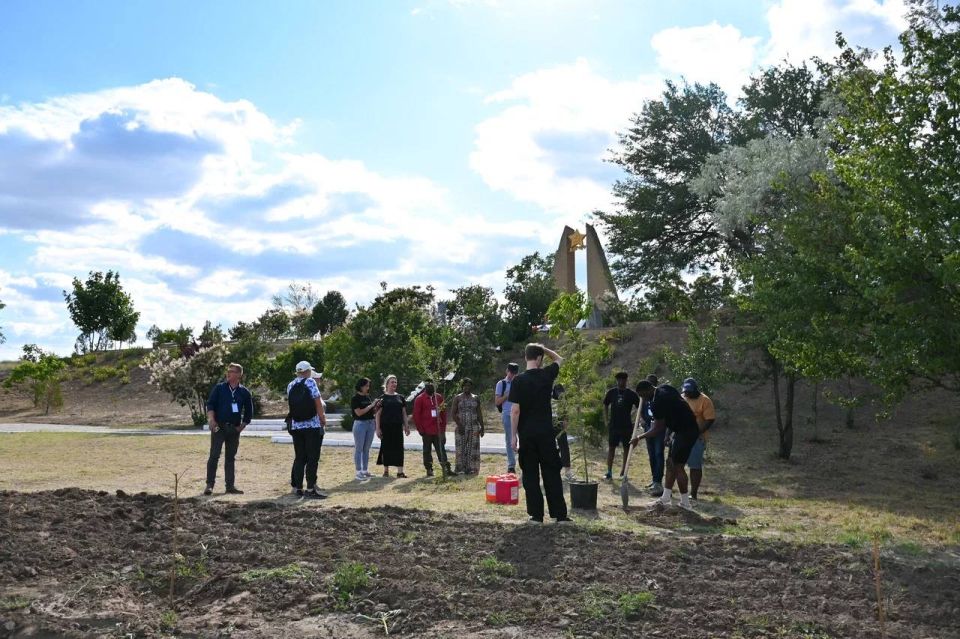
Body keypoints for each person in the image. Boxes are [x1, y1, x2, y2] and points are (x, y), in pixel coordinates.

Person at [508, 343, 570, 523]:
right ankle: (560, 515)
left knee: (530, 475)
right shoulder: (546, 375)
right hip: (546, 433)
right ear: (540, 358)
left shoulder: (518, 381)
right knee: (552, 472)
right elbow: (559, 359)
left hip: (527, 435)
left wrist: (513, 436)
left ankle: (536, 515)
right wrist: (545, 349)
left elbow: (515, 411)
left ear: (526, 357)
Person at [630, 380, 700, 510]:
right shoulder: (665, 388)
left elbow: (657, 428)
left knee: (678, 466)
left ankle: (685, 503)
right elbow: (675, 411)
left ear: (648, 390)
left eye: (643, 396)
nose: (643, 399)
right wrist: (669, 434)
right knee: (670, 463)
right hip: (681, 430)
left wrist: (639, 437)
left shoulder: (657, 402)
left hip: (686, 431)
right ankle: (665, 498)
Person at [204, 363, 253, 495]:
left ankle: (230, 486)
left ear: (239, 375)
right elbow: (210, 404)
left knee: (230, 458)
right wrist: (212, 420)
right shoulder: (219, 388)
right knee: (214, 456)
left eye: (232, 371)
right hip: (218, 427)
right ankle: (209, 485)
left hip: (234, 429)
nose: (228, 373)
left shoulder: (244, 392)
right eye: (228, 371)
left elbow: (249, 412)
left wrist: (240, 428)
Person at [286, 361, 328, 498]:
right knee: (312, 458)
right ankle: (310, 489)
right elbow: (317, 401)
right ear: (307, 371)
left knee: (299, 457)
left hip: (297, 426)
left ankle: (298, 487)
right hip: (312, 425)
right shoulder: (310, 382)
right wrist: (322, 418)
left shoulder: (291, 385)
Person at [681, 377, 716, 501]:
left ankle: (693, 493)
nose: (687, 393)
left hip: (697, 438)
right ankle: (681, 492)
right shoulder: (682, 398)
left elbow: (710, 419)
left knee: (694, 466)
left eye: (689, 391)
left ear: (696, 390)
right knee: (676, 464)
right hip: (681, 436)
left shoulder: (705, 401)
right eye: (685, 391)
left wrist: (697, 432)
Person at [603, 371, 641, 480]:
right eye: (618, 379)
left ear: (626, 380)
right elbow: (605, 404)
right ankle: (609, 472)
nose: (620, 381)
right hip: (614, 425)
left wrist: (636, 420)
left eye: (622, 379)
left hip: (627, 426)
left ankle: (624, 472)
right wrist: (606, 420)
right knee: (611, 448)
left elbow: (639, 406)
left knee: (626, 449)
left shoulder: (631, 394)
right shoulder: (612, 392)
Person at [412, 379, 452, 477]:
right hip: (426, 430)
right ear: (425, 386)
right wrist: (420, 430)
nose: (431, 386)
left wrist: (443, 430)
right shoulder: (419, 399)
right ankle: (429, 469)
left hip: (438, 430)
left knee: (441, 449)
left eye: (432, 384)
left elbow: (443, 414)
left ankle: (446, 468)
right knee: (427, 451)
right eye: (428, 384)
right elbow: (416, 416)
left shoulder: (439, 397)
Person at [376, 375, 410, 477]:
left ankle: (400, 472)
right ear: (387, 384)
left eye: (395, 382)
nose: (394, 384)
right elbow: (377, 415)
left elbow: (404, 413)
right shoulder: (382, 398)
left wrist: (406, 426)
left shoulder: (401, 397)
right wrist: (377, 428)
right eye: (392, 382)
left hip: (397, 427)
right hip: (385, 427)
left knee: (399, 448)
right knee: (386, 448)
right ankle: (386, 471)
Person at [451, 378, 484, 475]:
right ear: (462, 387)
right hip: (461, 427)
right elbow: (453, 413)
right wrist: (460, 425)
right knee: (461, 448)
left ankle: (471, 468)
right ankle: (460, 468)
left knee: (473, 448)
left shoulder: (475, 398)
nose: (467, 387)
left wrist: (482, 427)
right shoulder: (457, 398)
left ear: (471, 387)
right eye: (465, 386)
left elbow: (479, 413)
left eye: (469, 385)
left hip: (474, 427)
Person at [639, 374, 665, 496]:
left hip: (659, 428)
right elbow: (640, 411)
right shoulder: (643, 398)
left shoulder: (659, 397)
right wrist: (641, 420)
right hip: (648, 427)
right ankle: (654, 479)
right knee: (651, 454)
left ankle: (658, 481)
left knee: (658, 453)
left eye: (652, 383)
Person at [351, 377, 381, 480]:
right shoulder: (355, 398)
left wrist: (376, 407)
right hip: (360, 424)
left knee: (366, 449)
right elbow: (359, 413)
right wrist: (371, 405)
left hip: (370, 423)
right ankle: (358, 472)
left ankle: (365, 470)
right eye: (366, 385)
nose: (368, 388)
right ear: (361, 386)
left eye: (369, 386)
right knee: (359, 448)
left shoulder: (368, 397)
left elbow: (371, 412)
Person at [495, 363, 520, 473]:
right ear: (507, 371)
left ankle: (524, 461)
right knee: (510, 439)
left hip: (520, 413)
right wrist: (506, 395)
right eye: (511, 372)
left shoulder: (520, 382)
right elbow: (497, 402)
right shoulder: (501, 384)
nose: (512, 375)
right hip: (507, 414)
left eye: (514, 373)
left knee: (523, 438)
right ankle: (511, 465)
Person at [552, 383, 574, 482]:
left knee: (564, 446)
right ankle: (552, 469)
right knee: (549, 448)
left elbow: (566, 412)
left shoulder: (563, 399)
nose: (560, 395)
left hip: (560, 424)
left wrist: (566, 421)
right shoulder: (549, 397)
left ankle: (567, 471)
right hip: (550, 423)